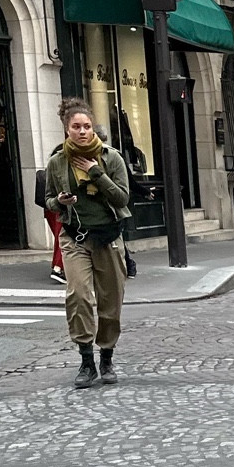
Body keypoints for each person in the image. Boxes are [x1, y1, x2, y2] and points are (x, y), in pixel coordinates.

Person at [41, 99, 132, 389]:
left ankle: (106, 357)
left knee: (110, 301)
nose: (82, 131)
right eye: (76, 127)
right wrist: (60, 202)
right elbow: (48, 199)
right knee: (78, 295)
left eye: (87, 126)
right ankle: (86, 361)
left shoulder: (111, 158)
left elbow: (122, 198)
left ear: (93, 128)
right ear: (66, 129)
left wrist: (96, 172)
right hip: (75, 237)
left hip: (108, 237)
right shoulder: (57, 162)